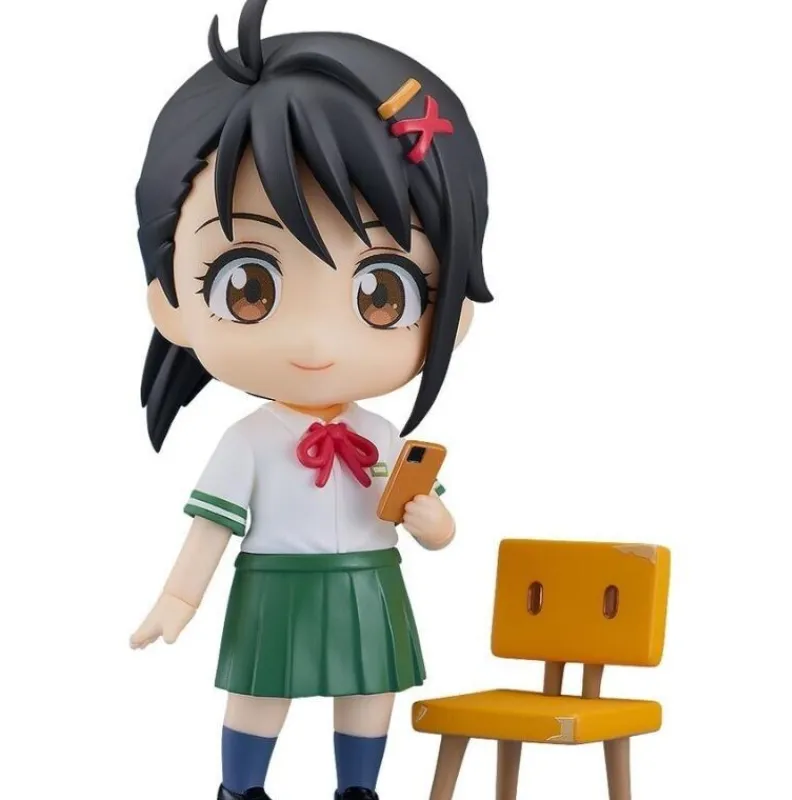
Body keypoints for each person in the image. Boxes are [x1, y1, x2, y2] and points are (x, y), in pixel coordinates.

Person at [129, 1, 491, 798]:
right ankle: (241, 789)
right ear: (170, 304)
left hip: (370, 578)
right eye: (250, 286)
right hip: (276, 583)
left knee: (370, 693)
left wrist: (430, 520)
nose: (318, 340)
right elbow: (210, 530)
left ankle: (358, 789)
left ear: (453, 315)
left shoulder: (385, 434)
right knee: (261, 694)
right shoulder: (249, 440)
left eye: (382, 293)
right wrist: (177, 599)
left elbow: (434, 522)